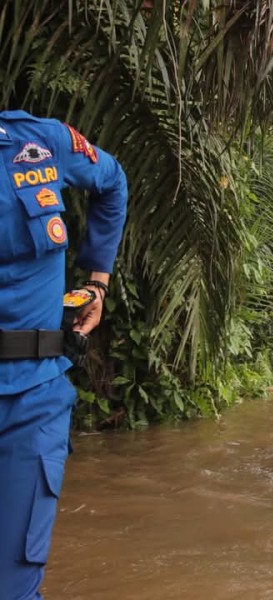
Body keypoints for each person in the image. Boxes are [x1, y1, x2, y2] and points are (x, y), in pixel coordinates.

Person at [0, 110, 128, 598]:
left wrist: (97, 281)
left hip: (33, 398)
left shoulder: (38, 141)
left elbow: (112, 183)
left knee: (14, 584)